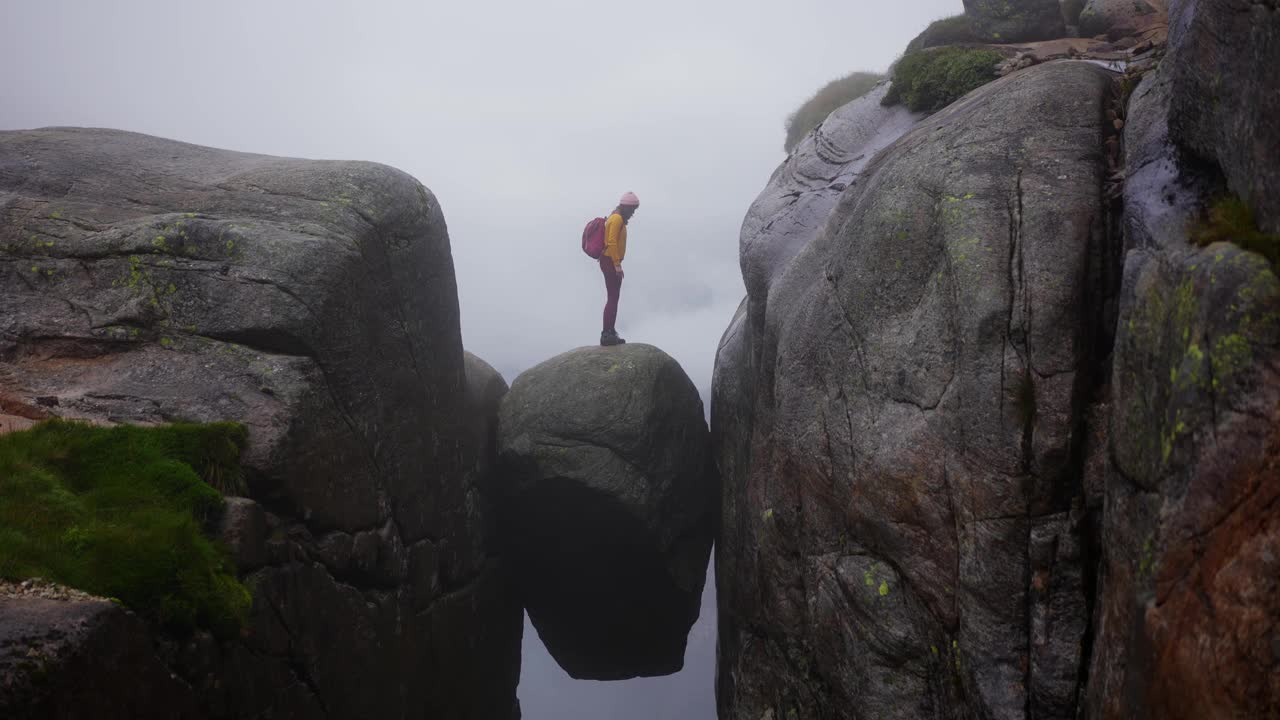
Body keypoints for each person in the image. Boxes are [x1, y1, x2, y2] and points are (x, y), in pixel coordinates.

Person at [600, 192, 639, 346]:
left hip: (609, 260)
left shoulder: (615, 217)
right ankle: (607, 333)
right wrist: (617, 264)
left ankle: (610, 331)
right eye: (632, 209)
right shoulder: (616, 219)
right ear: (626, 207)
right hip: (610, 261)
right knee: (613, 298)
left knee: (613, 297)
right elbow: (611, 242)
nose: (633, 212)